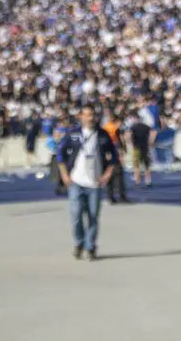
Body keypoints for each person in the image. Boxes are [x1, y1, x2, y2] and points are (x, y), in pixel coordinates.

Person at [57, 104, 118, 261]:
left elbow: (114, 156)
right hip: (76, 181)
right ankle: (79, 243)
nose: (90, 118)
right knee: (76, 214)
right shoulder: (73, 134)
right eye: (87, 115)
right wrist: (64, 174)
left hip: (94, 183)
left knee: (93, 216)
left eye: (92, 115)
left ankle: (90, 247)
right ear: (81, 116)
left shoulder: (102, 135)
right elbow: (60, 153)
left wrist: (107, 174)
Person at [100, 110, 130, 204]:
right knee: (118, 175)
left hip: (106, 153)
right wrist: (122, 152)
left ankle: (110, 196)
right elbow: (120, 141)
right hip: (114, 152)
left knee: (109, 175)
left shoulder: (105, 128)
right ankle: (121, 196)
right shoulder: (115, 129)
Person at [128, 106, 156, 189]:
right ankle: (148, 181)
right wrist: (151, 142)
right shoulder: (145, 126)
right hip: (145, 147)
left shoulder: (133, 127)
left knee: (136, 165)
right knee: (146, 165)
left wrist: (130, 142)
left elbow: (129, 135)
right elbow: (153, 132)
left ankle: (138, 181)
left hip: (137, 147)